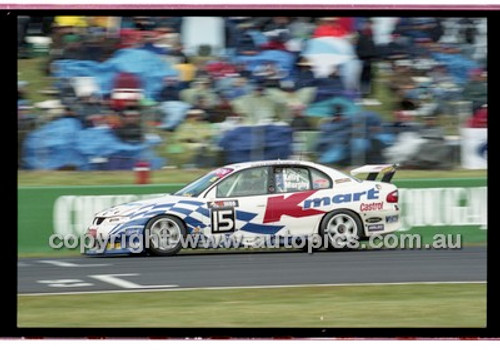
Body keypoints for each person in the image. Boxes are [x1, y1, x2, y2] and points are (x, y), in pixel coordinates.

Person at [355, 19, 377, 97]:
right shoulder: (362, 36)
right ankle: (362, 92)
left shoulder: (372, 35)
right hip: (363, 60)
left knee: (368, 76)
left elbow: (373, 48)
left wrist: (373, 55)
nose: (369, 26)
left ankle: (366, 92)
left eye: (370, 24)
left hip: (369, 60)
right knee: (362, 76)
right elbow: (358, 50)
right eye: (368, 24)